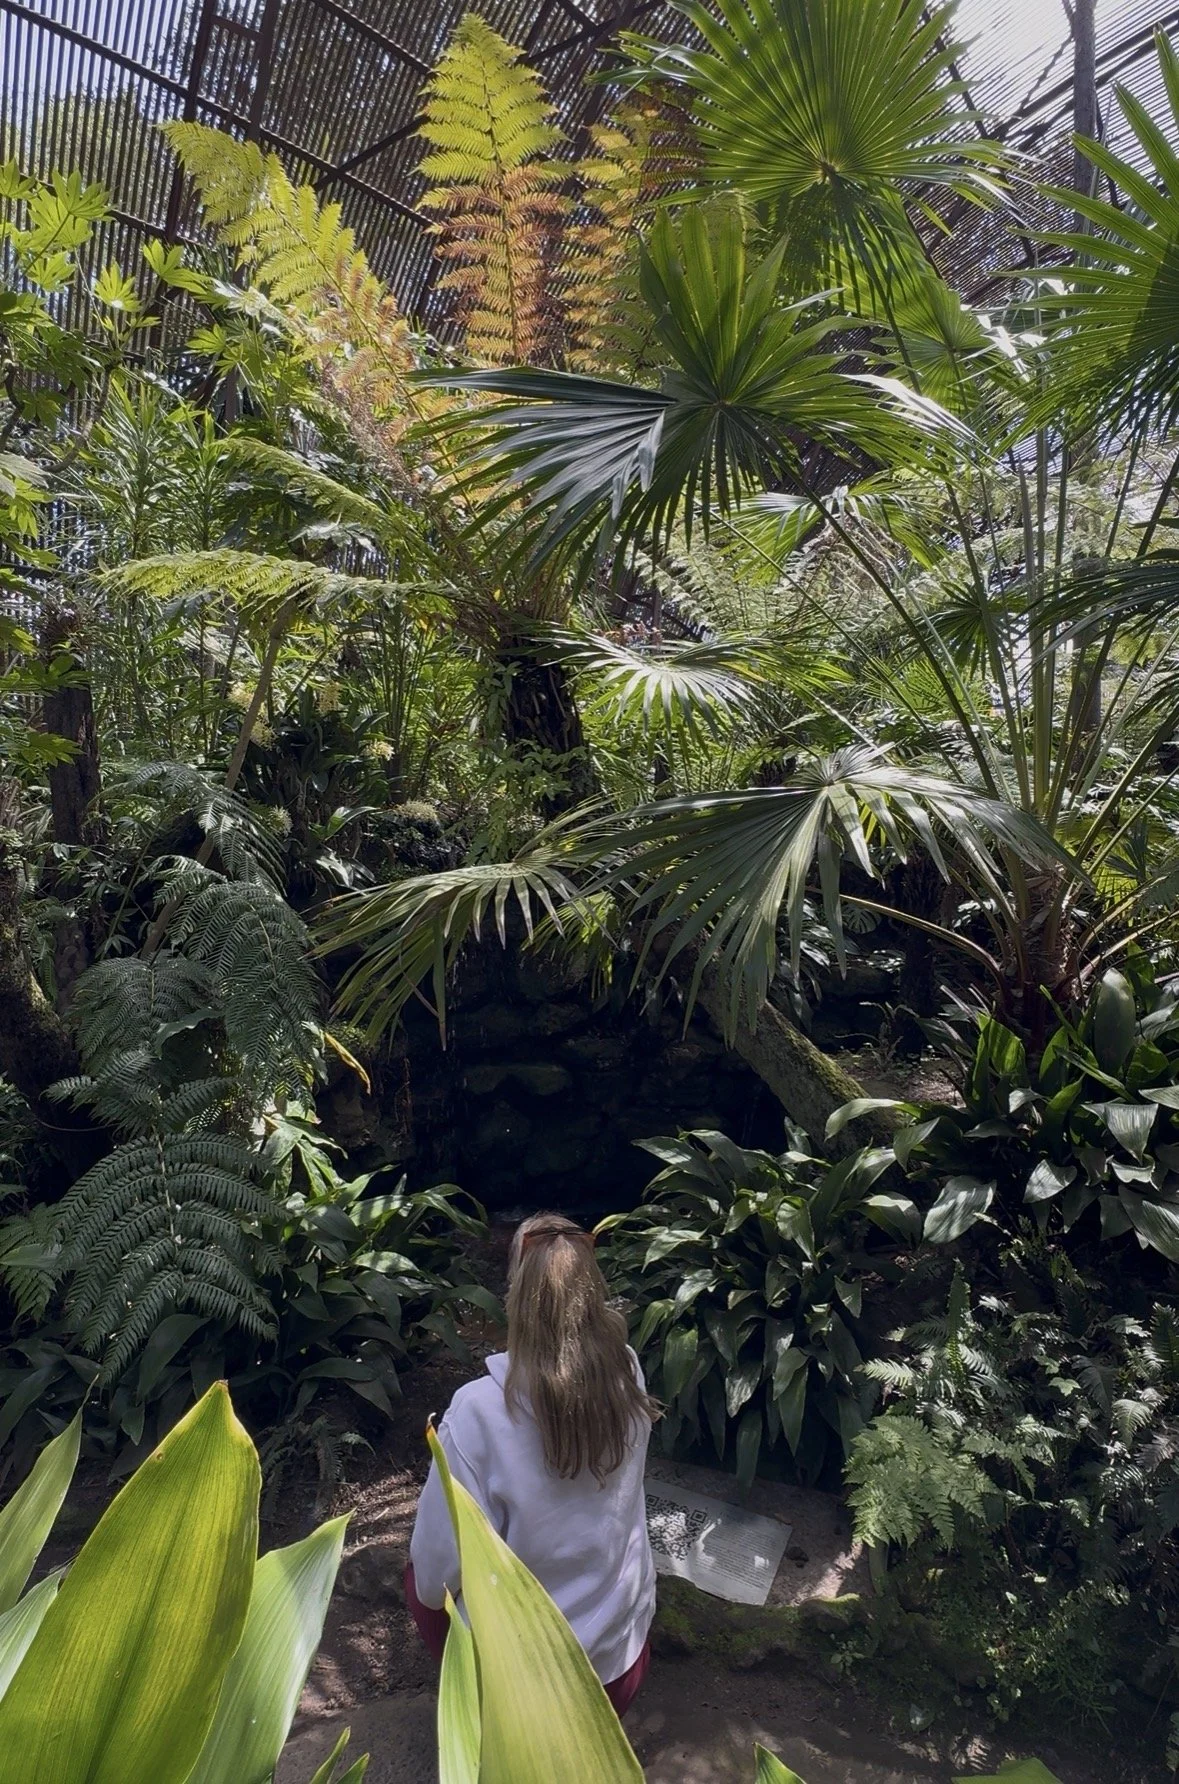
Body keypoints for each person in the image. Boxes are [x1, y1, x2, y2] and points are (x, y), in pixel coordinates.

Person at [406, 1212, 659, 1716]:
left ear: (515, 1296)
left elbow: (436, 1582)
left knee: (419, 1581)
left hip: (525, 1687)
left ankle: (477, 1710)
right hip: (618, 1666)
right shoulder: (627, 1368)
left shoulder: (479, 1411)